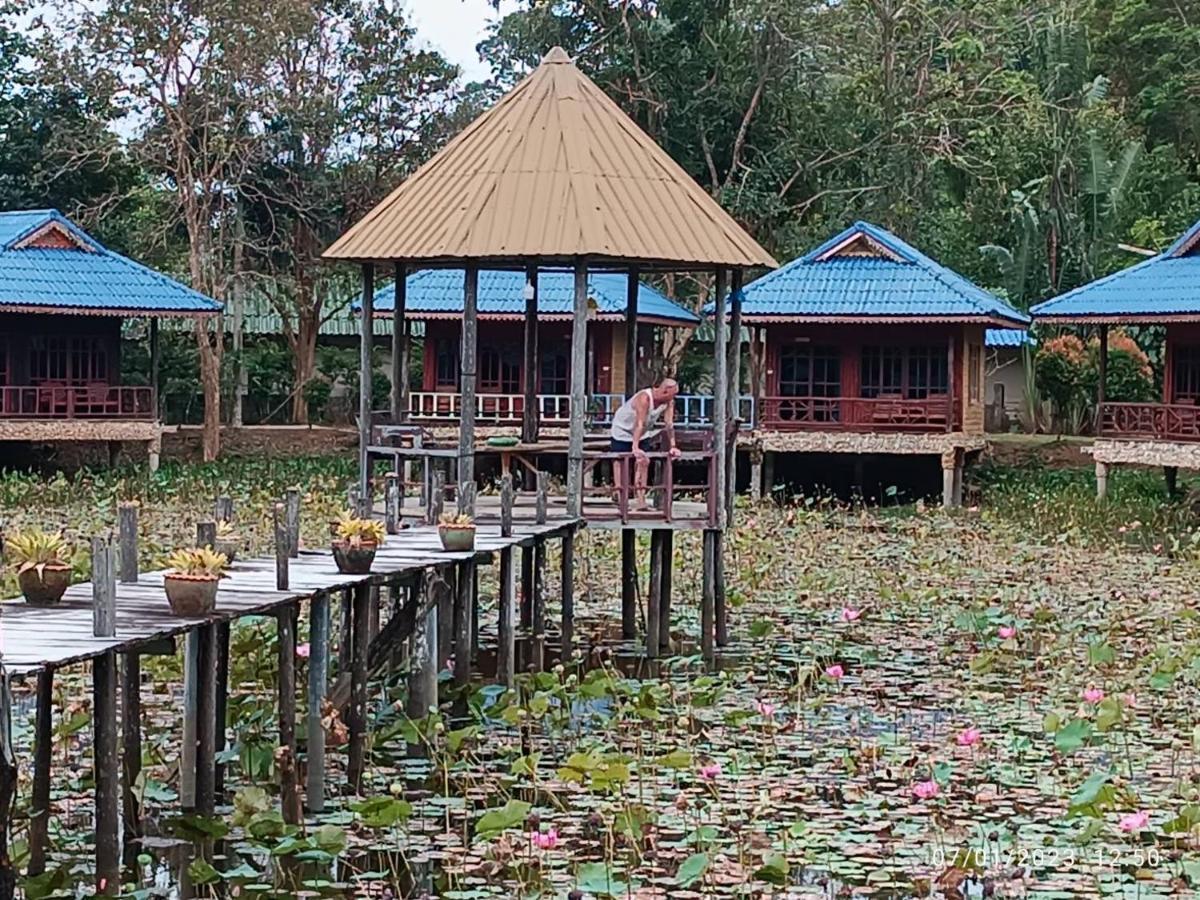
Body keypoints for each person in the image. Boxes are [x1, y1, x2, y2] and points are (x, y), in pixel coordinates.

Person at [609, 379, 682, 508]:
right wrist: (635, 446)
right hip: (622, 429)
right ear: (665, 391)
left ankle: (641, 499)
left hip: (643, 433)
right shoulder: (644, 398)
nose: (673, 397)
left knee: (643, 461)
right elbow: (639, 422)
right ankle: (619, 496)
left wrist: (673, 445)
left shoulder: (669, 402)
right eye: (673, 394)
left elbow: (669, 424)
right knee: (619, 462)